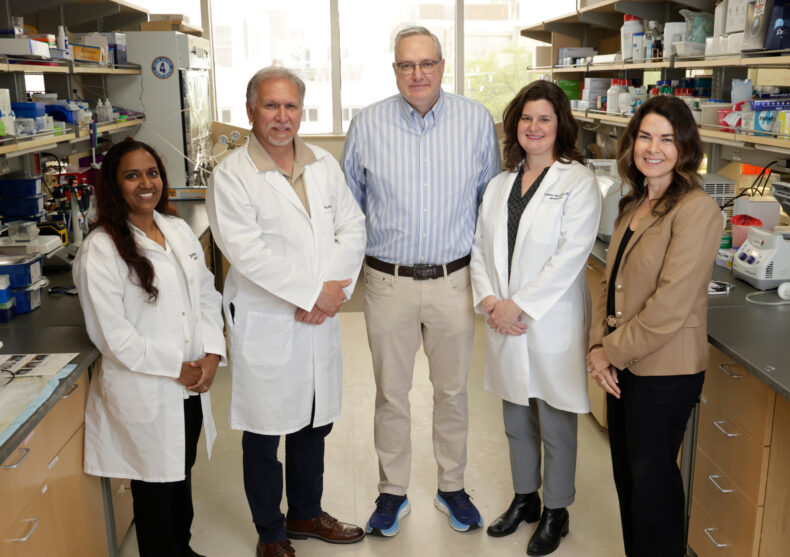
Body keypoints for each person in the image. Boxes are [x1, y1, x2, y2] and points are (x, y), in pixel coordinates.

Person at [341, 26, 501, 536]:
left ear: (442, 65)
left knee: (452, 392)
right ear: (394, 70)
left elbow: (487, 206)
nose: (418, 74)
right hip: (389, 282)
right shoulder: (367, 124)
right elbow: (350, 207)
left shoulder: (475, 121)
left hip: (454, 282)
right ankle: (392, 491)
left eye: (427, 64)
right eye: (407, 65)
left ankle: (451, 485)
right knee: (391, 393)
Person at [207, 66, 367, 557]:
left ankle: (305, 513)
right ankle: (270, 534)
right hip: (269, 319)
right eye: (271, 106)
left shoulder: (323, 163)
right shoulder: (231, 175)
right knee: (264, 430)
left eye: (291, 106)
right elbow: (247, 252)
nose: (282, 117)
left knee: (314, 422)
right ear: (251, 110)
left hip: (318, 317)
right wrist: (311, 294)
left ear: (302, 110)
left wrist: (332, 292)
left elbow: (353, 227)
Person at [73, 140, 226, 557]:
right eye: (132, 175)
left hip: (190, 384)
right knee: (154, 488)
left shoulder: (176, 229)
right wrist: (177, 368)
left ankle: (184, 548)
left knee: (181, 475)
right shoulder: (100, 250)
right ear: (114, 185)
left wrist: (212, 354)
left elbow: (207, 295)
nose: (146, 183)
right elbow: (112, 336)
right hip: (149, 389)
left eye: (152, 172)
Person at [586, 95, 723, 557]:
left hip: (666, 374)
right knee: (629, 483)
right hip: (626, 365)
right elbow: (608, 283)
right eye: (645, 136)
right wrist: (595, 349)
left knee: (652, 489)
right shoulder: (635, 202)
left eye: (667, 138)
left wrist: (610, 351)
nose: (654, 148)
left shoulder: (697, 210)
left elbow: (671, 305)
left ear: (685, 147)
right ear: (633, 142)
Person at [470, 80, 602, 556]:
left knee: (555, 420)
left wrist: (518, 306)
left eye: (544, 118)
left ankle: (556, 510)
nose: (534, 127)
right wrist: (490, 302)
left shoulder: (577, 182)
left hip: (548, 320)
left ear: (560, 124)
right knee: (515, 416)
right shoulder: (500, 184)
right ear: (515, 126)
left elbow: (570, 257)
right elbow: (480, 249)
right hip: (504, 320)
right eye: (526, 118)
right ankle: (525, 498)